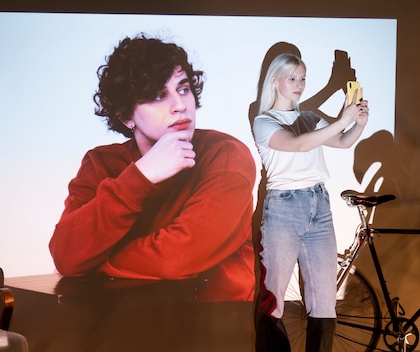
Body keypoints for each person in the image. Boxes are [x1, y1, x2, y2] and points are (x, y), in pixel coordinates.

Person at [49, 34, 257, 302]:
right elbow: (66, 255)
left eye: (183, 89)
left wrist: (95, 261)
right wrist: (140, 177)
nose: (180, 105)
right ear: (126, 115)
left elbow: (179, 257)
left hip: (218, 327)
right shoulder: (101, 163)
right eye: (159, 95)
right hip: (128, 322)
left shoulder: (226, 156)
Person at [252, 53, 369, 351]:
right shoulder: (264, 121)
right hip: (283, 209)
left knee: (324, 302)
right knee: (273, 298)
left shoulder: (309, 117)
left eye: (303, 78)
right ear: (275, 81)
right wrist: (342, 119)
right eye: (292, 78)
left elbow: (342, 142)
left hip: (320, 207)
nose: (299, 85)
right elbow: (300, 144)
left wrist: (357, 125)